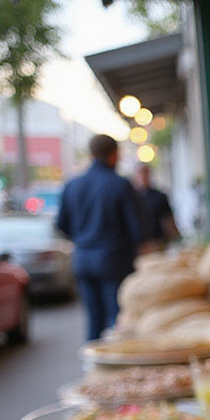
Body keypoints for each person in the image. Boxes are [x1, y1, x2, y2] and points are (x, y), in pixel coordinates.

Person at [56, 134, 143, 342]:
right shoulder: (120, 185)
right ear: (114, 155)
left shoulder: (72, 185)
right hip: (115, 260)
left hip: (83, 260)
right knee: (118, 319)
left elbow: (61, 225)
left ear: (91, 153)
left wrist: (83, 239)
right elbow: (137, 229)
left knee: (94, 320)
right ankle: (116, 369)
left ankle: (95, 367)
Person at [135, 164, 180, 252]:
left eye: (145, 174)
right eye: (140, 174)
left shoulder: (159, 196)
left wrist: (175, 236)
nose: (142, 177)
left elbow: (168, 219)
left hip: (158, 241)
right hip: (140, 244)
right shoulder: (131, 197)